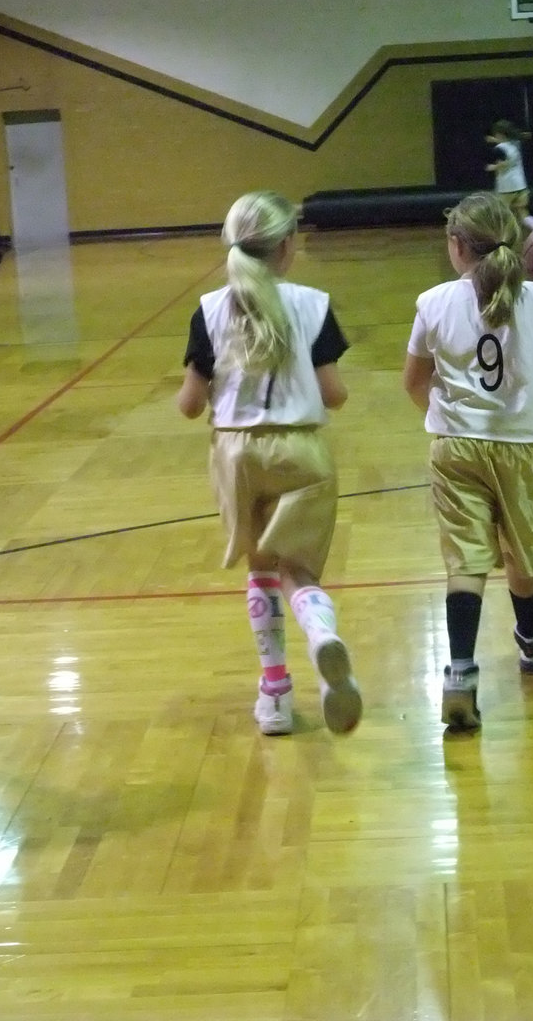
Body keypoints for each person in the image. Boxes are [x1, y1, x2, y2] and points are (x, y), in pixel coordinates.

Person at [403, 193, 533, 731]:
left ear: (456, 246)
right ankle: (531, 642)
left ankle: (461, 672)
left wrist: (442, 419)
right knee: (518, 549)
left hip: (455, 447)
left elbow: (415, 383)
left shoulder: (433, 301)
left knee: (465, 562)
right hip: (520, 447)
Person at [176, 190, 362, 737]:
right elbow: (334, 395)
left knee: (260, 570)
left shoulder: (209, 310)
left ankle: (276, 694)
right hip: (300, 446)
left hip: (237, 452)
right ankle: (320, 630)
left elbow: (189, 405)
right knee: (298, 571)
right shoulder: (313, 303)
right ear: (286, 247)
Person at [484, 119, 533, 230]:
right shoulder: (515, 144)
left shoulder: (498, 149)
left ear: (499, 134)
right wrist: (494, 140)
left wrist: (492, 167)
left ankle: (505, 238)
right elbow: (510, 141)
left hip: (506, 187)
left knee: (503, 215)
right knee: (523, 213)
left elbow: (504, 163)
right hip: (521, 185)